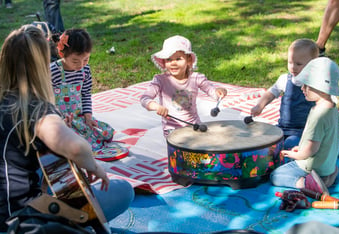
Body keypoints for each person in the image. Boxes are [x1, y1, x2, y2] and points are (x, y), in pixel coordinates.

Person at [0, 25, 134, 232]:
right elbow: (76, 148)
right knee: (123, 191)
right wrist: (94, 167)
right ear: (41, 65)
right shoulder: (35, 108)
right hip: (20, 218)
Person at [51, 28, 129, 160]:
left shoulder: (85, 70)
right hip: (60, 119)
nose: (81, 65)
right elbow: (45, 99)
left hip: (78, 116)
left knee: (104, 132)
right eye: (75, 61)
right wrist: (58, 119)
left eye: (86, 60)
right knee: (75, 142)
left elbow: (86, 94)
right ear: (61, 53)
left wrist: (88, 115)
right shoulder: (53, 71)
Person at [270, 57, 339, 195]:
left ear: (321, 87)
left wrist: (294, 154)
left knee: (276, 175)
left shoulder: (318, 114)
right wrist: (300, 148)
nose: (302, 88)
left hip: (312, 167)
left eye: (306, 85)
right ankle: (328, 176)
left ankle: (307, 183)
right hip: (327, 164)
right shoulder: (332, 108)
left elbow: (311, 150)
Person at [140, 35, 227, 137]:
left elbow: (212, 92)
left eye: (178, 59)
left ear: (188, 60)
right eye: (168, 59)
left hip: (194, 126)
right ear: (164, 61)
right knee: (182, 151)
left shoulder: (196, 78)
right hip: (171, 129)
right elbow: (144, 98)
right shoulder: (160, 80)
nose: (173, 63)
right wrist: (156, 106)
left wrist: (218, 92)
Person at [251, 39, 319, 150]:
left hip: (305, 130)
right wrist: (260, 106)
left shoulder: (315, 83)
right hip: (282, 127)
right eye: (290, 62)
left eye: (298, 64)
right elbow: (271, 93)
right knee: (264, 139)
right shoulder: (285, 79)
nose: (293, 67)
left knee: (290, 144)